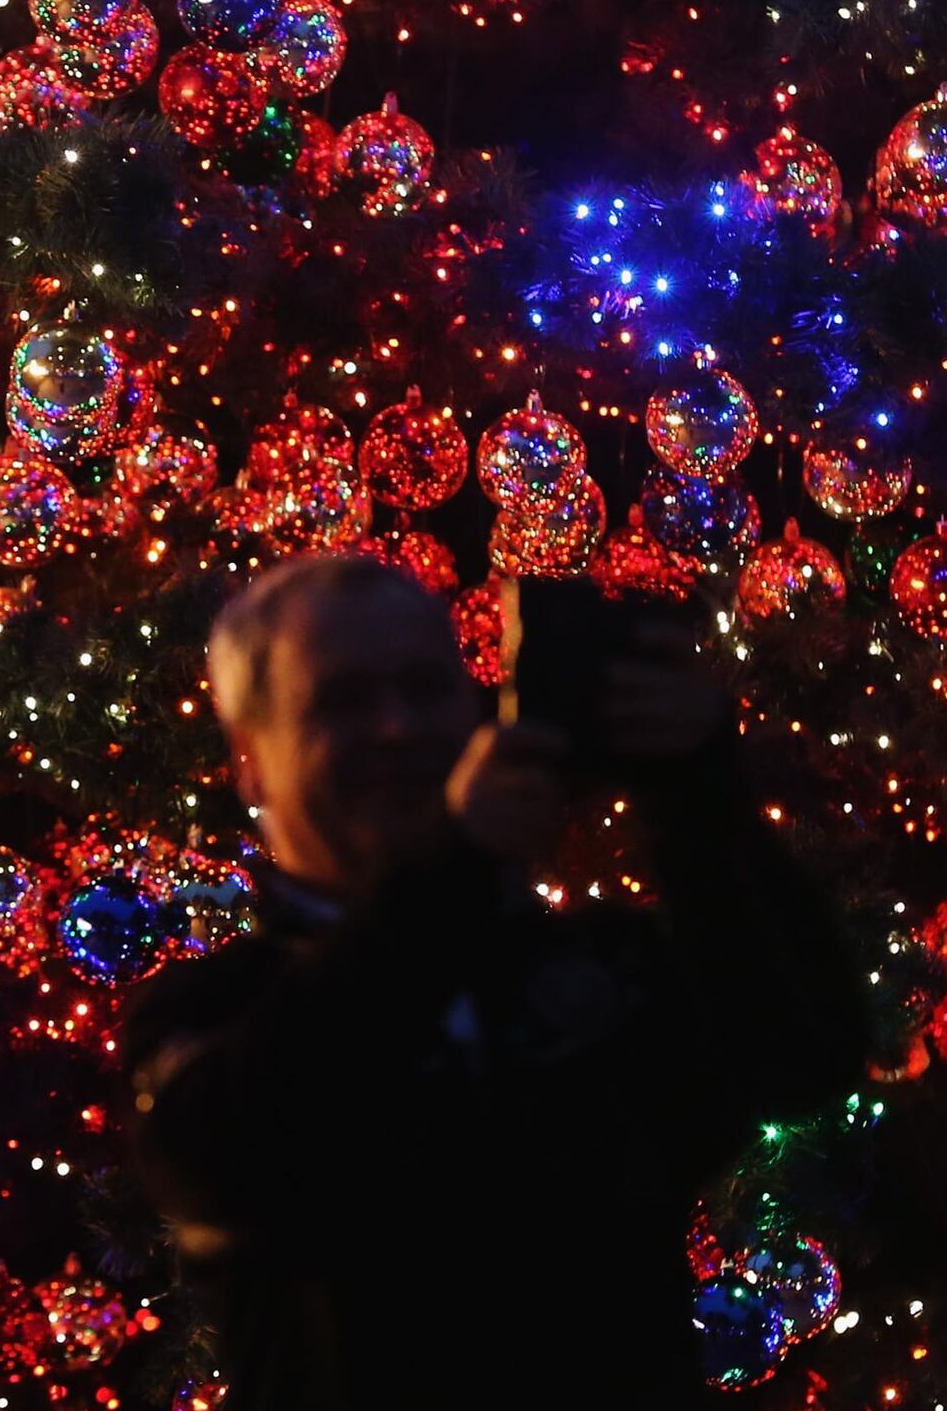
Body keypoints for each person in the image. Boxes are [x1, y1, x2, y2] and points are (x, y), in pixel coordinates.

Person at [117, 554, 866, 1410]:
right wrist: (447, 879)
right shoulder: (212, 1012)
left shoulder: (593, 973)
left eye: (426, 689)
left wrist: (697, 799)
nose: (397, 728)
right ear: (250, 759)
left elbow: (802, 1051)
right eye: (343, 702)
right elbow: (256, 1144)